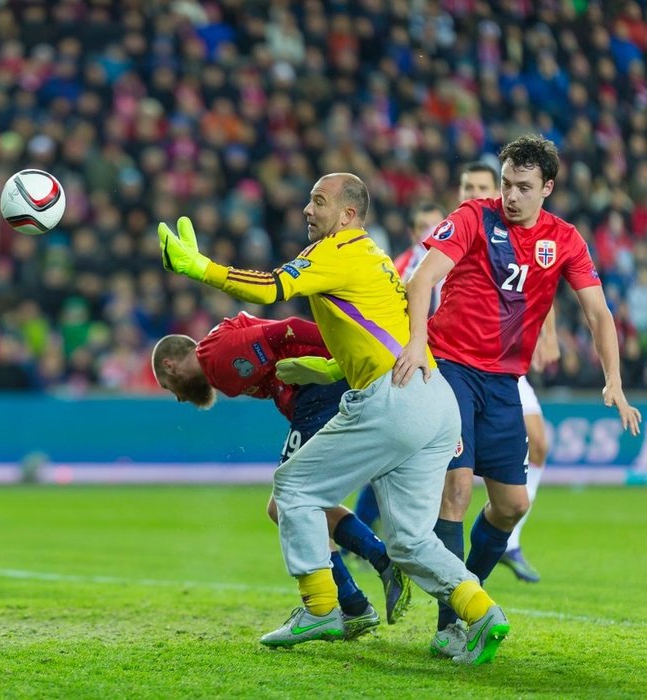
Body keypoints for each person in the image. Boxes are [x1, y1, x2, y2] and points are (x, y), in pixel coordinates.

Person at [159, 172, 509, 665]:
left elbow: (270, 288)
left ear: (347, 215)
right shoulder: (373, 258)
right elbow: (372, 330)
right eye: (308, 200)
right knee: (409, 540)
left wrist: (201, 268)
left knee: (294, 489)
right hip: (435, 400)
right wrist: (327, 365)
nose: (307, 209)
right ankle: (483, 613)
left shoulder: (336, 251)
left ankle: (321, 607)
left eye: (318, 202)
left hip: (395, 397)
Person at [394, 137, 641, 654]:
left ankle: (468, 592)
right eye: (506, 183)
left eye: (523, 188)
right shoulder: (472, 218)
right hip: (452, 368)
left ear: (547, 189)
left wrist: (613, 380)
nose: (510, 196)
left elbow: (598, 313)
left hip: (505, 380)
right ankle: (451, 622)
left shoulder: (565, 239)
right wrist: (417, 344)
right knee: (457, 492)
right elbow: (421, 281)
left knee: (509, 506)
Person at [152, 312, 412, 636]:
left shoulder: (215, 354)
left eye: (168, 387)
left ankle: (357, 590)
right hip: (315, 397)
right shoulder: (218, 363)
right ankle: (357, 598)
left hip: (320, 394)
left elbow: (287, 329)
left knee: (286, 503)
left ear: (169, 365)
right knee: (302, 504)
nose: (177, 397)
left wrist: (346, 349)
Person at [454, 162, 560, 584]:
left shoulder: (515, 231)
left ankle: (508, 539)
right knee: (451, 481)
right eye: (473, 186)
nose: (501, 195)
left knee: (539, 444)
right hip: (454, 362)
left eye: (485, 186)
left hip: (504, 365)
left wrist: (547, 333)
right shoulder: (458, 232)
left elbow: (534, 283)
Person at [353, 200, 449, 531]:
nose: (430, 233)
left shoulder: (453, 259)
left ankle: (391, 529)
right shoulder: (401, 268)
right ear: (412, 231)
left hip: (446, 360)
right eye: (424, 226)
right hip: (414, 361)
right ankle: (371, 526)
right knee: (396, 454)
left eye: (436, 225)